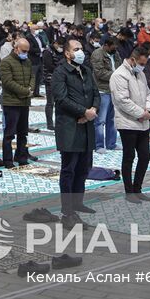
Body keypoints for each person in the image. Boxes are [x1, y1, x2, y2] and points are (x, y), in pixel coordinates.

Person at [50, 39, 97, 224]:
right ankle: (67, 209)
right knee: (69, 169)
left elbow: (95, 93)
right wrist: (83, 112)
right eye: (76, 49)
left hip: (86, 125)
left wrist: (92, 110)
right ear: (67, 53)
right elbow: (61, 99)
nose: (80, 52)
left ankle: (78, 202)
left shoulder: (86, 70)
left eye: (81, 49)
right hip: (70, 127)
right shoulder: (60, 72)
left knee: (84, 168)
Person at [110, 43, 150, 202]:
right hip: (128, 123)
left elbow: (148, 93)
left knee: (145, 156)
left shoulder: (140, 74)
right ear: (133, 60)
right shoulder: (119, 75)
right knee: (129, 156)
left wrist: (148, 109)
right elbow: (122, 101)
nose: (143, 67)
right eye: (141, 64)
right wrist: (140, 113)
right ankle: (129, 191)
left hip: (143, 122)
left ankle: (138, 188)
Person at [0, 38, 34, 166]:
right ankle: (7, 160)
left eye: (27, 51)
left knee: (23, 133)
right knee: (9, 134)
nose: (25, 53)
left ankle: (21, 156)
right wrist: (25, 91)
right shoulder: (6, 62)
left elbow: (32, 76)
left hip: (24, 102)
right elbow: (8, 83)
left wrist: (30, 88)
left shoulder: (27, 62)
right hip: (11, 103)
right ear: (16, 48)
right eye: (23, 51)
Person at [88, 35, 120, 152]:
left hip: (113, 90)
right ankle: (99, 145)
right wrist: (116, 75)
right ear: (106, 45)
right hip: (102, 90)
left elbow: (120, 67)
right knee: (100, 120)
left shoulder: (115, 54)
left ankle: (111, 143)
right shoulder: (97, 54)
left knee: (112, 119)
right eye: (113, 47)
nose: (115, 49)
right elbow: (99, 73)